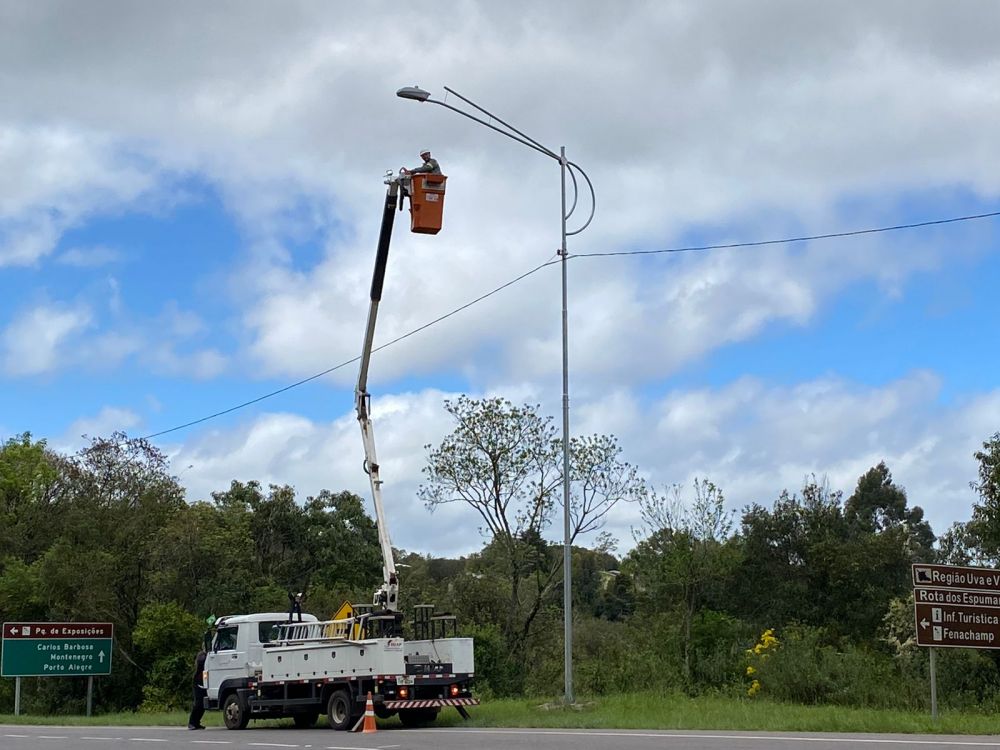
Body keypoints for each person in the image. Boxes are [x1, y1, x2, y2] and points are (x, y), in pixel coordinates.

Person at [187, 647, 207, 730]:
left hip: (204, 681)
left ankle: (197, 722)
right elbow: (201, 663)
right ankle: (191, 722)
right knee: (198, 703)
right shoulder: (201, 655)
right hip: (198, 681)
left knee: (203, 705)